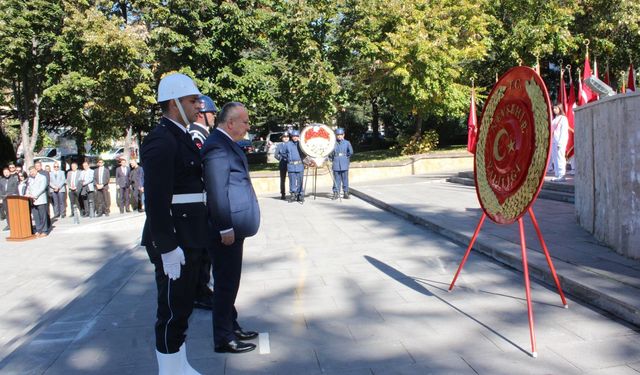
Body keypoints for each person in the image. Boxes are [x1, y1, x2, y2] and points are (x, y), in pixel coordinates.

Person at [140, 72, 208, 374]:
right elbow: (155, 201)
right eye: (192, 100)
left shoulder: (181, 136)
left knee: (181, 310)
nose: (199, 105)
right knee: (170, 311)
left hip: (190, 236)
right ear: (173, 103)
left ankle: (180, 365)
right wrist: (167, 246)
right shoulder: (161, 141)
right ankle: (169, 370)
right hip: (175, 239)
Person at [202, 102, 261, 354]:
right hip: (227, 229)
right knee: (226, 283)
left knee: (230, 280)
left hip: (236, 227)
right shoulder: (217, 146)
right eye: (245, 122)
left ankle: (231, 324)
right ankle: (223, 338)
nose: (248, 126)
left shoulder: (225, 143)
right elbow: (216, 190)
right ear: (230, 123)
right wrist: (224, 227)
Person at [188, 94, 218, 311]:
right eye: (211, 113)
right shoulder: (196, 135)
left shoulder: (203, 134)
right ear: (201, 114)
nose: (214, 116)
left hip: (204, 199)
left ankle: (202, 288)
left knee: (206, 251)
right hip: (199, 201)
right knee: (201, 250)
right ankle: (199, 291)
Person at [329, 128, 354, 199]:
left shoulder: (347, 142)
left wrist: (346, 158)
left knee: (345, 179)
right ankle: (336, 193)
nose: (339, 136)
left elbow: (351, 152)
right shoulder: (333, 143)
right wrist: (332, 159)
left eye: (341, 135)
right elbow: (330, 154)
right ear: (336, 136)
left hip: (344, 162)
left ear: (343, 135)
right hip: (336, 162)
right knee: (336, 179)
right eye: (338, 135)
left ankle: (346, 192)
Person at [283, 130, 305, 202]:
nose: (295, 138)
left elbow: (305, 153)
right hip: (291, 165)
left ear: (298, 137)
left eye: (296, 136)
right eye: (293, 136)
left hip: (299, 165)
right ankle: (293, 195)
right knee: (292, 181)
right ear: (291, 137)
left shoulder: (301, 144)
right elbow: (283, 153)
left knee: (300, 181)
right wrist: (288, 159)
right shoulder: (287, 144)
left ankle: (300, 195)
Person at [26, 166, 49, 237]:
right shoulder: (30, 179)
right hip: (32, 200)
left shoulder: (42, 177)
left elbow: (42, 188)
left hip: (40, 199)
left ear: (36, 170)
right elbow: (28, 187)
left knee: (43, 216)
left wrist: (34, 196)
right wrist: (27, 194)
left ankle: (44, 231)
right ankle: (39, 230)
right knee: (36, 216)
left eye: (33, 171)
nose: (31, 173)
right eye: (30, 172)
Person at [550, 104, 569, 182]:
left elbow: (564, 132)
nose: (554, 110)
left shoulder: (563, 119)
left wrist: (560, 142)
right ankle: (557, 174)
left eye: (556, 108)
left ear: (560, 109)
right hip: (554, 141)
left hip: (560, 141)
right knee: (555, 158)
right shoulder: (555, 119)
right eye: (553, 108)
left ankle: (562, 175)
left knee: (560, 158)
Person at [1, 166, 19, 230]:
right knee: (7, 212)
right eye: (4, 172)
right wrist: (1, 198)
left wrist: (8, 195)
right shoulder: (1, 180)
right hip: (4, 199)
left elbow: (15, 189)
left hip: (12, 198)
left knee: (13, 212)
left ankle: (15, 224)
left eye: (7, 172)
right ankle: (9, 225)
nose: (6, 173)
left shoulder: (14, 179)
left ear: (9, 172)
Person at [274, 132, 290, 200]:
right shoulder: (279, 145)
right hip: (283, 163)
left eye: (287, 137)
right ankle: (283, 194)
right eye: (284, 137)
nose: (286, 138)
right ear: (282, 138)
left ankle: (293, 193)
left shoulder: (291, 144)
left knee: (292, 179)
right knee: (282, 180)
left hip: (290, 163)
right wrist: (280, 159)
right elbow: (275, 155)